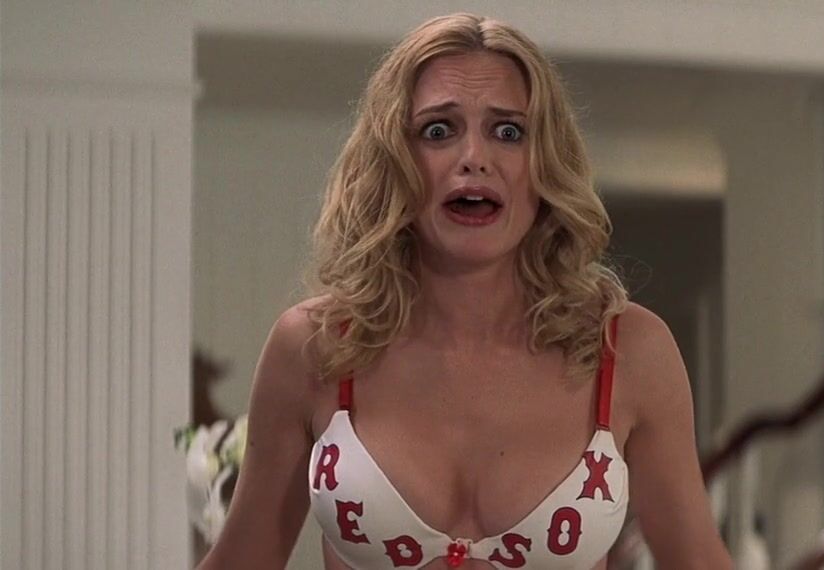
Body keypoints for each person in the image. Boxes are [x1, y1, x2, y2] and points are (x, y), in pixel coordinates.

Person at [199, 13, 732, 570]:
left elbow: (697, 560)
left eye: (508, 132)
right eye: (438, 131)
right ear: (396, 160)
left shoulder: (627, 350)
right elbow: (242, 558)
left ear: (544, 162)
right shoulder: (316, 346)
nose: (474, 157)